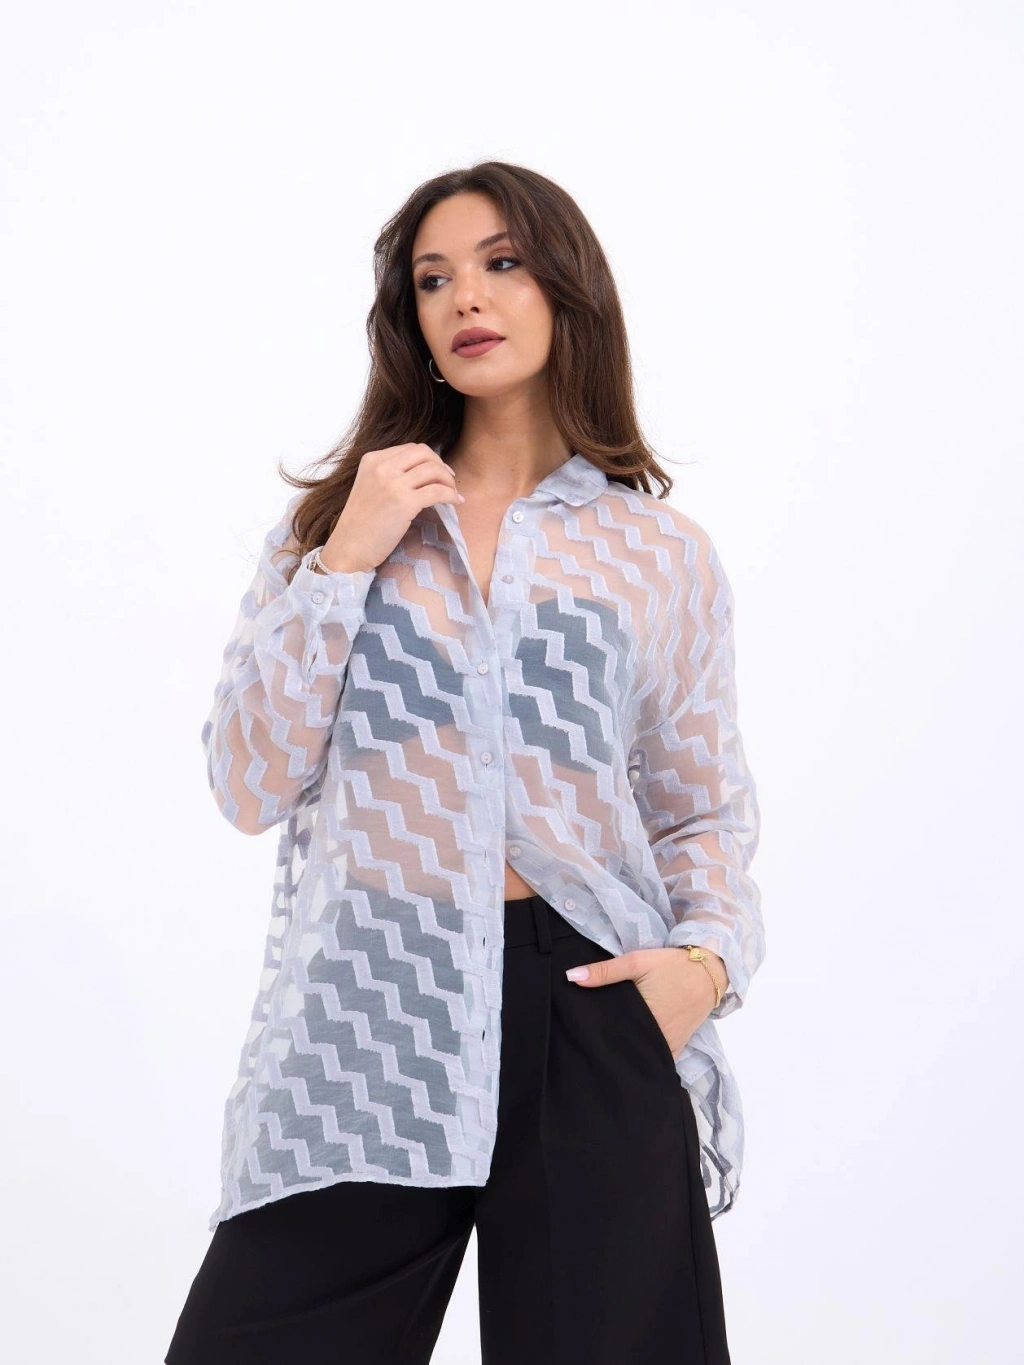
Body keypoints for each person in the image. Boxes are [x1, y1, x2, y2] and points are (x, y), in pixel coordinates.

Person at [164, 160, 765, 1365]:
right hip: (373, 998)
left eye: (500, 263)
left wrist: (704, 966)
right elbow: (246, 780)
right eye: (431, 280)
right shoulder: (337, 528)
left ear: (567, 289)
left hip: (586, 998)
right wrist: (348, 557)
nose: (464, 299)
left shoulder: (658, 553)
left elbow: (700, 808)